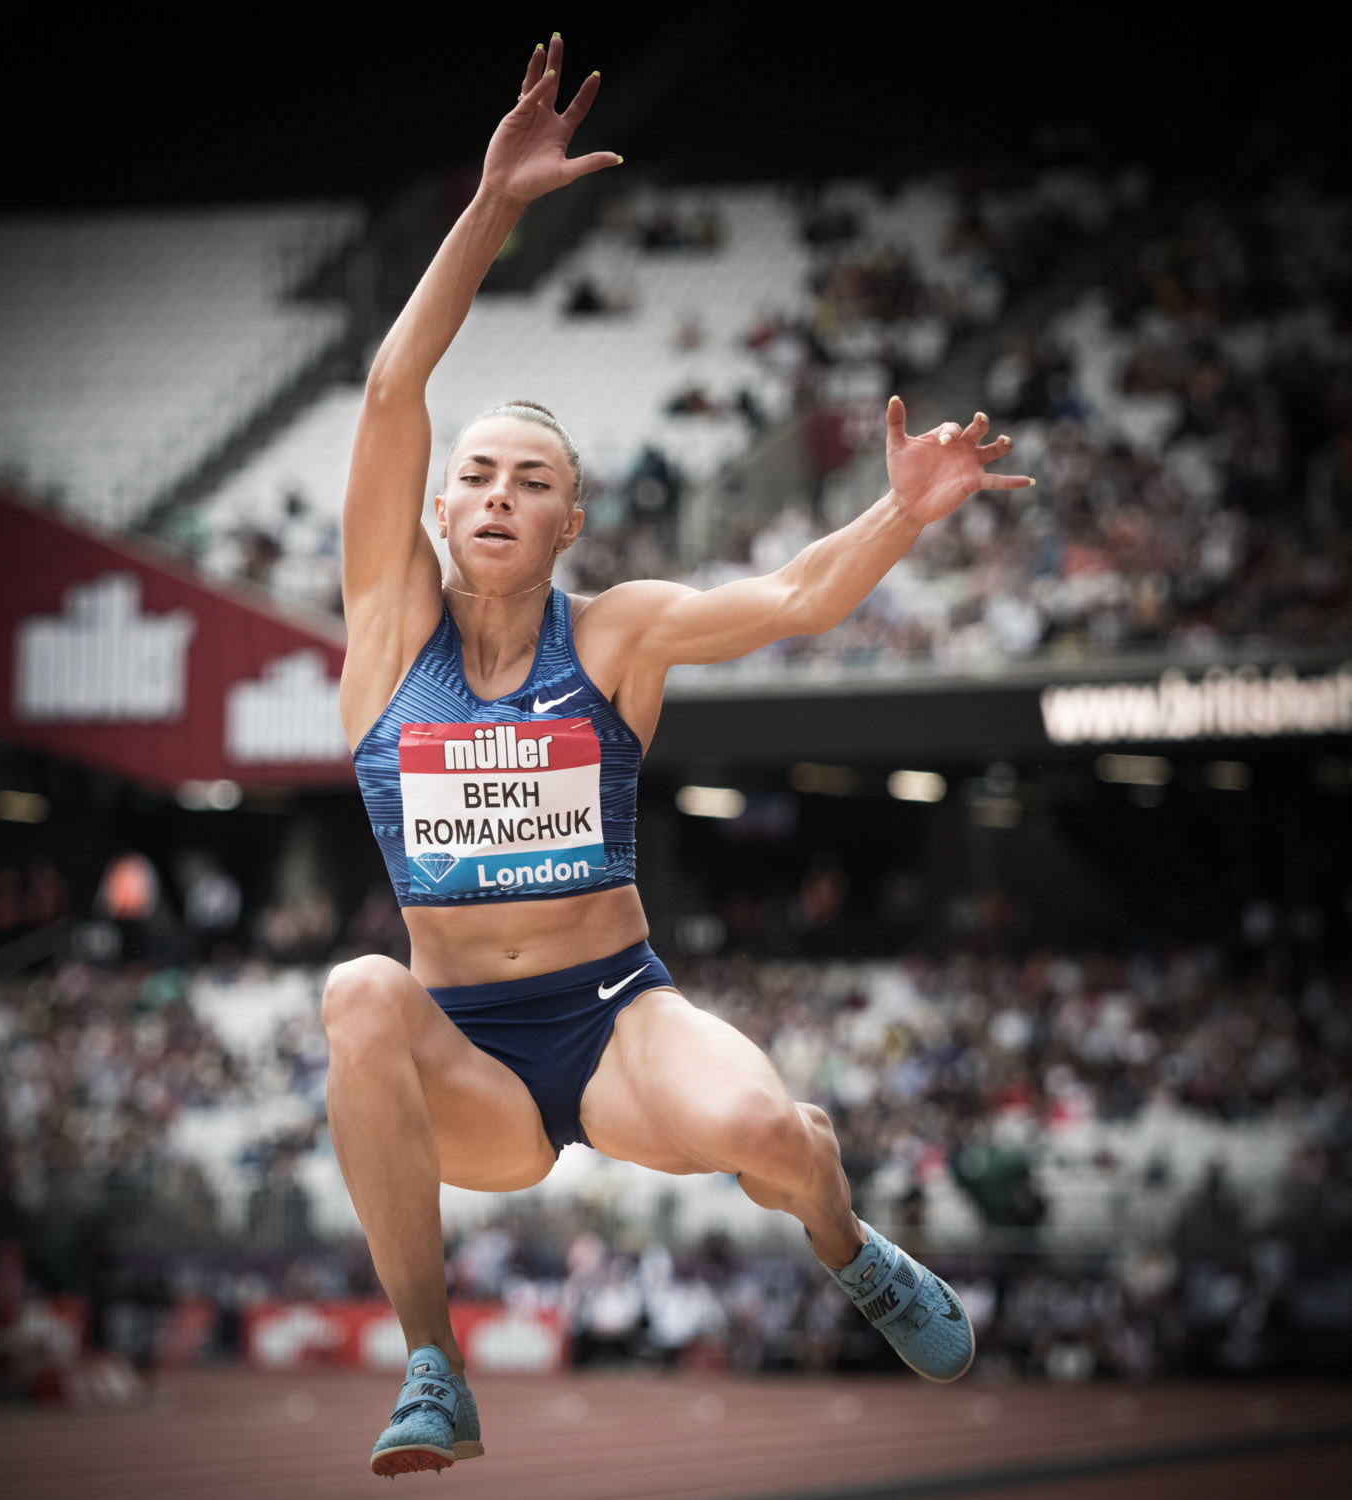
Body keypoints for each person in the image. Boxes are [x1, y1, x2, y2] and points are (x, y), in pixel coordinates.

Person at [328, 35, 1034, 1479]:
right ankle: (432, 1368)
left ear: (570, 522)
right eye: (477, 477)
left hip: (613, 1017)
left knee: (775, 1137)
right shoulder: (389, 630)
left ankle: (851, 1250)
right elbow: (396, 389)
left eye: (532, 480)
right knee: (353, 994)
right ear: (443, 509)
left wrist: (900, 514)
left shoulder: (623, 634)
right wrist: (491, 210)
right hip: (465, 1053)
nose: (497, 493)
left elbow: (789, 600)